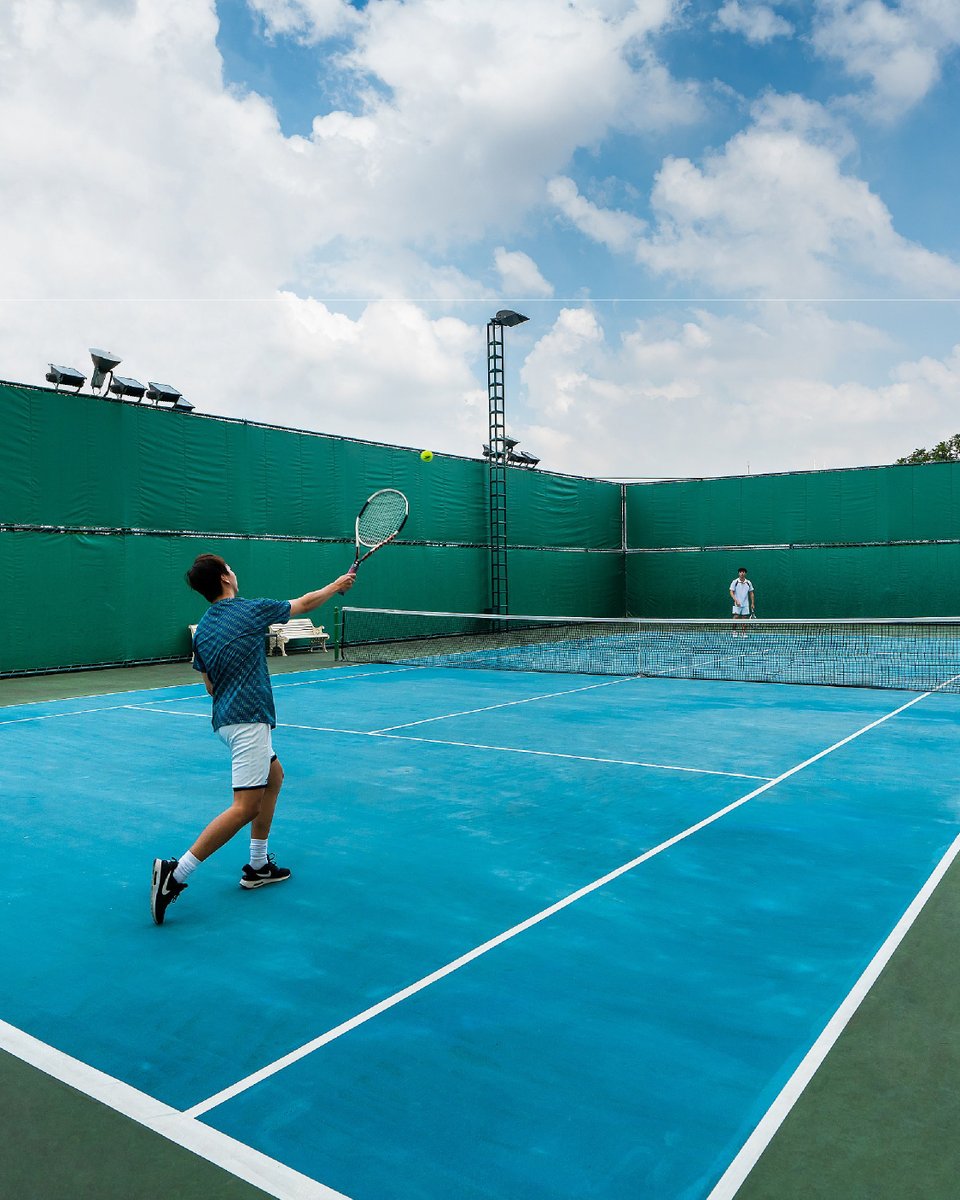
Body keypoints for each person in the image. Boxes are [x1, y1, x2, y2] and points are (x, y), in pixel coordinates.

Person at [150, 554, 355, 926]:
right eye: (230, 567)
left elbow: (209, 683)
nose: (234, 571)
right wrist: (337, 586)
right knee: (244, 807)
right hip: (248, 721)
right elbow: (305, 603)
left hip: (226, 721)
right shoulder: (250, 610)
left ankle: (258, 865)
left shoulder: (206, 629)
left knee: (273, 779)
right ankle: (175, 874)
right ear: (225, 578)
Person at [729, 566, 754, 634]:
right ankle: (734, 631)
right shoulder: (735, 581)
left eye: (743, 572)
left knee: (744, 618)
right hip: (737, 603)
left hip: (746, 604)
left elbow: (751, 593)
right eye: (740, 572)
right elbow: (731, 592)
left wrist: (752, 603)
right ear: (738, 573)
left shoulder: (748, 582)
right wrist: (736, 600)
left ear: (745, 573)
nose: (742, 573)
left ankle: (743, 632)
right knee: (736, 617)